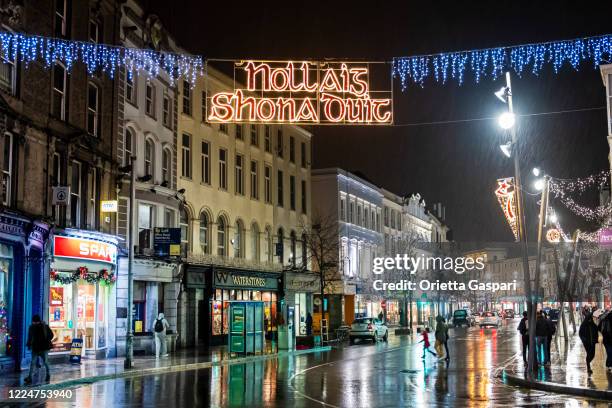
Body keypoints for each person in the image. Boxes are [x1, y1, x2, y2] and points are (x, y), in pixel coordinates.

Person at [24, 315, 53, 385]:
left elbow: (30, 337)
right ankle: (48, 375)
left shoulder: (32, 327)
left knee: (33, 363)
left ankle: (30, 377)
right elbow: (51, 335)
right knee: (45, 362)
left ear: (34, 321)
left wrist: (29, 345)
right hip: (43, 348)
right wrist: (47, 341)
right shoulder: (45, 326)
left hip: (37, 348)